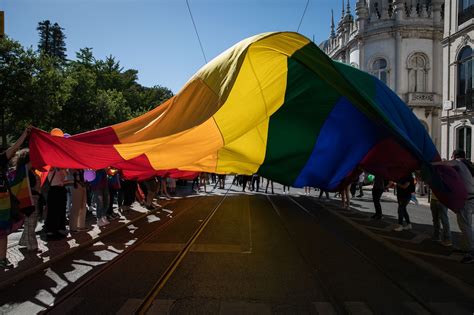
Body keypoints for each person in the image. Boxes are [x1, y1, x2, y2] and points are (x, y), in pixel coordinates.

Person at [0, 127, 30, 268]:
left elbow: (14, 148)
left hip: (4, 204)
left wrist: (24, 135)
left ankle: (2, 259)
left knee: (3, 233)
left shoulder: (1, 160)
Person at [444, 150, 474, 263]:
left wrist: (432, 163)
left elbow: (446, 164)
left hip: (467, 199)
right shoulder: (469, 164)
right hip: (471, 198)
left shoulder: (459, 162)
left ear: (455, 156)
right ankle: (465, 248)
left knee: (465, 226)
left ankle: (471, 251)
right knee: (465, 224)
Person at [17, 149, 41, 251]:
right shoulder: (24, 170)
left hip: (33, 199)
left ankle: (23, 242)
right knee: (30, 223)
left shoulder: (30, 170)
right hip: (28, 200)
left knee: (32, 222)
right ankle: (32, 246)